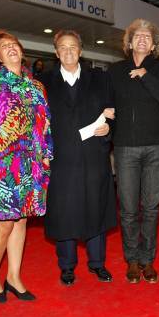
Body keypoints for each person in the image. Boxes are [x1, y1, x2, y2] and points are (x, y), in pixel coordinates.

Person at [0, 31, 52, 303]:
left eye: (14, 44)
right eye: (4, 47)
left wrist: (46, 158)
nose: (11, 48)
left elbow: (45, 126)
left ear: (22, 51)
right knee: (3, 223)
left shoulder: (37, 87)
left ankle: (14, 276)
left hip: (32, 164)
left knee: (22, 220)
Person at [36, 30, 117, 286]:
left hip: (94, 157)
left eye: (73, 47)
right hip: (60, 159)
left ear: (81, 51)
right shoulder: (43, 82)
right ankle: (67, 265)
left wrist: (108, 130)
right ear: (56, 52)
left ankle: (97, 263)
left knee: (96, 207)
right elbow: (37, 124)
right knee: (64, 211)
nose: (69, 51)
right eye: (63, 47)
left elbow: (114, 114)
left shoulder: (100, 79)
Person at [108, 18, 159, 283]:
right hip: (125, 146)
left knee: (150, 209)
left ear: (153, 45)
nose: (142, 39)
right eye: (137, 36)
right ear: (129, 43)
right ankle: (132, 260)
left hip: (155, 147)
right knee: (128, 209)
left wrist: (147, 77)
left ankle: (147, 261)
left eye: (147, 37)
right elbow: (105, 103)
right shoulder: (115, 71)